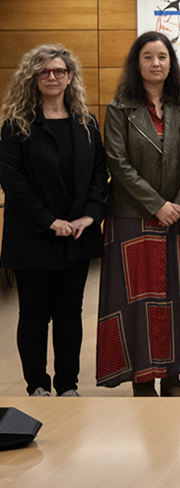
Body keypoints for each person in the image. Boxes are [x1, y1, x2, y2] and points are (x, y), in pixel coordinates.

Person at [97, 31, 180, 396]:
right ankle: (143, 378)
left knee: (179, 296)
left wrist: (179, 201)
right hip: (133, 217)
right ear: (137, 63)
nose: (156, 63)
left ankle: (173, 376)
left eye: (162, 56)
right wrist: (156, 205)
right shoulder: (119, 109)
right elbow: (118, 163)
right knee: (137, 298)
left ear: (171, 63)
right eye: (148, 57)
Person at [0, 45, 106, 397]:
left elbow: (98, 174)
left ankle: (67, 385)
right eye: (44, 72)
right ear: (33, 77)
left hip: (77, 234)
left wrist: (90, 214)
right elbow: (14, 183)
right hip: (34, 236)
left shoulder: (86, 121)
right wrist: (50, 221)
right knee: (33, 314)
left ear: (70, 77)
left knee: (69, 314)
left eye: (59, 71)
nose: (52, 77)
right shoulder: (16, 125)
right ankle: (37, 385)